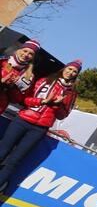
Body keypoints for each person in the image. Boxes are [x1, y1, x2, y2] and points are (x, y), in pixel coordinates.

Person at [0, 59, 81, 192]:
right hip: (23, 120)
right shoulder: (45, 80)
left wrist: (57, 105)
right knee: (2, 151)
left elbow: (62, 115)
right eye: (69, 69)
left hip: (39, 128)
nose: (71, 72)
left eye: (74, 71)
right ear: (64, 69)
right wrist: (43, 101)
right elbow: (26, 100)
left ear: (76, 75)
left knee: (14, 160)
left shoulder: (71, 93)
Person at [0, 39, 40, 115]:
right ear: (19, 50)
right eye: (25, 51)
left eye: (31, 54)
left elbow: (16, 100)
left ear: (33, 57)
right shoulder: (2, 61)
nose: (26, 55)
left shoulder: (28, 76)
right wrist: (2, 81)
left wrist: (12, 87)